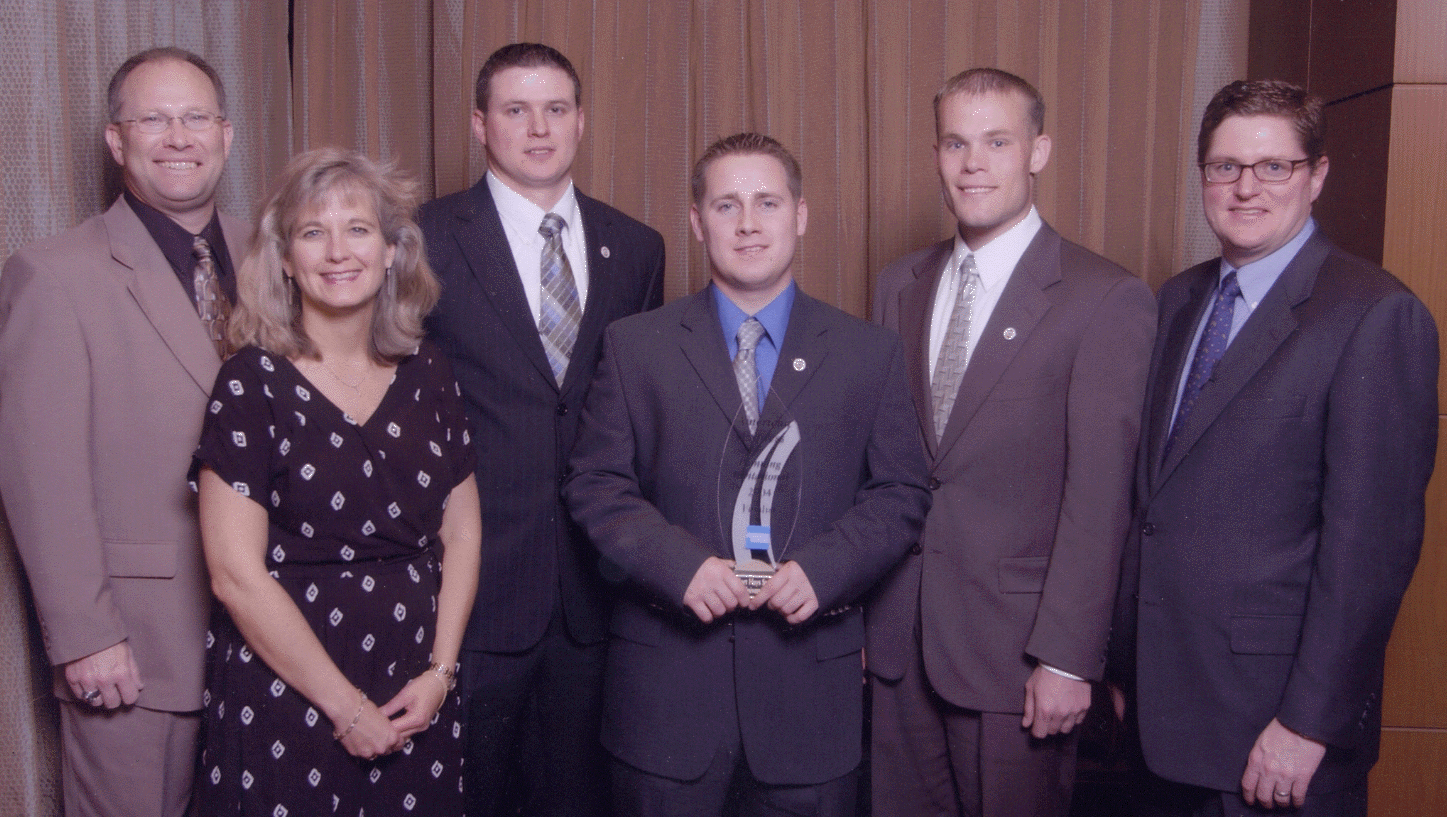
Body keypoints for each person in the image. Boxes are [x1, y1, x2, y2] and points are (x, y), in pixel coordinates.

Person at [563, 132, 930, 817]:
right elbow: (595, 484)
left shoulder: (867, 352)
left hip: (806, 707)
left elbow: (901, 492)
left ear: (800, 214)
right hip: (666, 705)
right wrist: (679, 566)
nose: (749, 223)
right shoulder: (635, 345)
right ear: (698, 223)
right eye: (726, 205)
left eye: (767, 202)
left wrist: (824, 568)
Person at [1114, 79, 1438, 816]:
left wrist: (1307, 722)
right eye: (1223, 166)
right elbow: (1151, 503)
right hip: (1160, 713)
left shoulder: (1375, 315)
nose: (1244, 187)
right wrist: (1122, 661)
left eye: (1272, 167)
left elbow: (1370, 550)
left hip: (1274, 731)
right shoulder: (1175, 300)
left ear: (1316, 175)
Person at [865, 67, 1156, 817]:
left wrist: (1065, 657)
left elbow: (1100, 499)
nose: (973, 163)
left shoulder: (1104, 298)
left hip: (1018, 655)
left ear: (1038, 151)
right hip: (900, 647)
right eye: (956, 143)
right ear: (934, 153)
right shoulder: (898, 283)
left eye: (996, 141)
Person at [191, 147, 481, 816]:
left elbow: (461, 530)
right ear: (285, 259)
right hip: (289, 686)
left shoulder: (428, 370)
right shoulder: (249, 382)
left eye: (357, 228)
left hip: (416, 683)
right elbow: (233, 572)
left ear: (390, 252)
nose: (337, 250)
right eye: (312, 232)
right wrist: (345, 706)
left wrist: (439, 673)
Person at [419, 41, 665, 816]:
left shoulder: (635, 247)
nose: (537, 128)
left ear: (581, 121)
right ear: (478, 124)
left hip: (601, 592)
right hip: (476, 588)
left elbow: (644, 419)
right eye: (515, 109)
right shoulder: (418, 240)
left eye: (555, 109)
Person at [0, 47, 246, 817]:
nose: (178, 137)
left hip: (273, 637)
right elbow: (41, 475)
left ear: (226, 135)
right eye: (154, 119)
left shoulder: (281, 253)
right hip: (140, 646)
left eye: (195, 117)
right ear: (116, 140)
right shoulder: (55, 274)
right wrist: (83, 634)